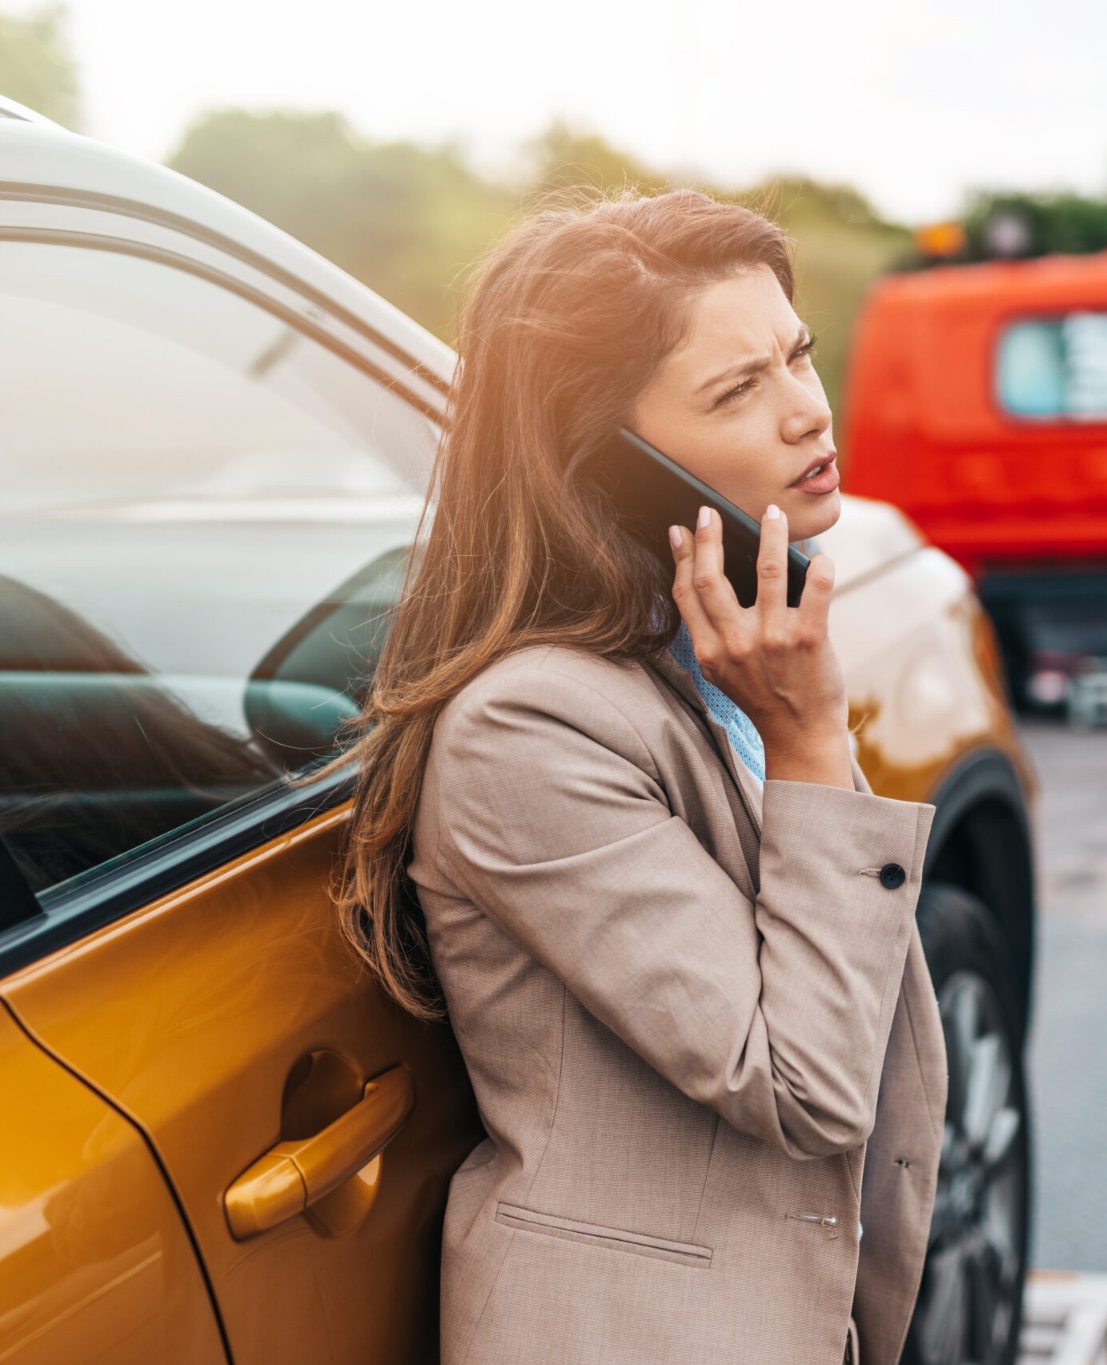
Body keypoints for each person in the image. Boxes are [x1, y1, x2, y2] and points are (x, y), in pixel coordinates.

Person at [333, 191, 945, 1365]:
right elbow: (808, 1083)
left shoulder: (715, 652)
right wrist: (812, 743)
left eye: (796, 354)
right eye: (734, 391)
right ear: (607, 467)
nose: (806, 411)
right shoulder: (527, 732)